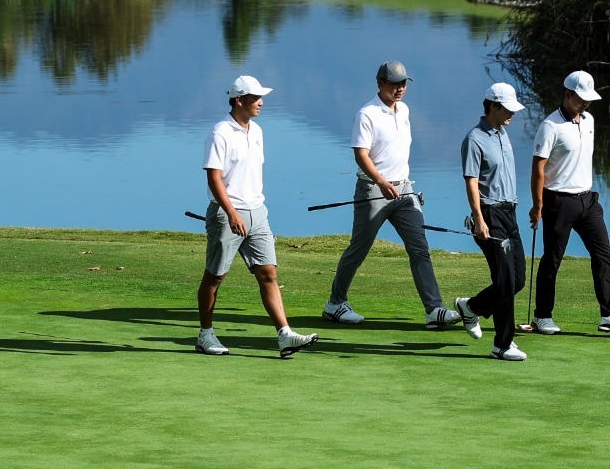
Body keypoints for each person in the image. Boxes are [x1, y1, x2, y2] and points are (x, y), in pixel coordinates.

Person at [323, 60, 462, 329]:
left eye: (403, 83)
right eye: (395, 83)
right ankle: (335, 304)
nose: (400, 88)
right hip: (373, 190)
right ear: (380, 83)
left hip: (404, 191)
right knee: (359, 249)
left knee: (419, 248)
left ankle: (434, 309)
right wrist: (381, 181)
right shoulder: (367, 114)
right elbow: (360, 155)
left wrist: (397, 183)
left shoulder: (404, 110)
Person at [197, 74, 319, 359]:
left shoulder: (258, 131)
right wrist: (231, 213)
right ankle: (205, 335)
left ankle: (285, 334)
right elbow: (214, 178)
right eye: (256, 98)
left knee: (268, 273)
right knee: (215, 276)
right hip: (227, 214)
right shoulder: (220, 132)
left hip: (258, 212)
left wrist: (253, 210)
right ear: (240, 100)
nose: (261, 102)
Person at [528, 70, 610, 335]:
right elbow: (538, 168)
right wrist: (538, 204)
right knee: (552, 260)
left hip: (588, 200)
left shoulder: (589, 119)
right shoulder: (550, 126)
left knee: (603, 255)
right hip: (558, 201)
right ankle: (542, 316)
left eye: (588, 99)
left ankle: (608, 314)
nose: (585, 103)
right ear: (567, 94)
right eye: (580, 98)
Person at [452, 82, 529, 361]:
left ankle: (471, 307)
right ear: (493, 107)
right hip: (489, 215)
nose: (512, 114)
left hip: (510, 213)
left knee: (517, 279)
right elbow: (471, 181)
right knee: (505, 280)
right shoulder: (474, 139)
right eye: (508, 109)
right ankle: (502, 345)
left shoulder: (502, 133)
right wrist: (478, 218)